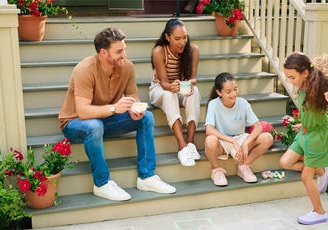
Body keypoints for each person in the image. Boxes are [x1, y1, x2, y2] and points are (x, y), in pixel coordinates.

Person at [58, 28, 176, 201]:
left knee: (147, 117)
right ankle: (102, 183)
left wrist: (134, 109)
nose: (124, 54)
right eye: (119, 51)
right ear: (103, 53)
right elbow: (82, 111)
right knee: (94, 125)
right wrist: (114, 108)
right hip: (75, 123)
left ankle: (147, 176)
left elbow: (133, 97)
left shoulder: (126, 66)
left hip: (104, 120)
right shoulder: (85, 69)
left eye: (124, 49)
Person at [278, 52, 328, 225]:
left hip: (318, 138)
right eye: (288, 77)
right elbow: (310, 113)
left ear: (305, 73)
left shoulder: (319, 90)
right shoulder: (302, 87)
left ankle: (319, 212)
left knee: (305, 177)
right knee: (285, 162)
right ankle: (322, 170)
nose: (290, 81)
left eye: (292, 77)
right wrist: (303, 124)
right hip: (305, 133)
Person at [204, 72, 274, 186]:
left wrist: (246, 143)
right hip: (223, 142)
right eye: (228, 91)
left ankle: (244, 166)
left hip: (241, 139)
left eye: (235, 89)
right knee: (210, 140)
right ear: (219, 92)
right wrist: (232, 141)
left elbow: (258, 127)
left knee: (267, 138)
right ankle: (216, 170)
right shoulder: (213, 104)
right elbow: (209, 130)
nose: (233, 94)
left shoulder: (243, 103)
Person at [149, 18, 202, 166]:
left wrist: (184, 85)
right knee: (169, 94)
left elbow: (192, 80)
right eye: (177, 38)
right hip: (160, 88)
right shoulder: (159, 51)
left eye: (184, 37)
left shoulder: (193, 50)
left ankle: (190, 143)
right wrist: (172, 87)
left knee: (194, 92)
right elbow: (164, 83)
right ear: (167, 37)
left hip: (180, 86)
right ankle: (182, 146)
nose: (182, 42)